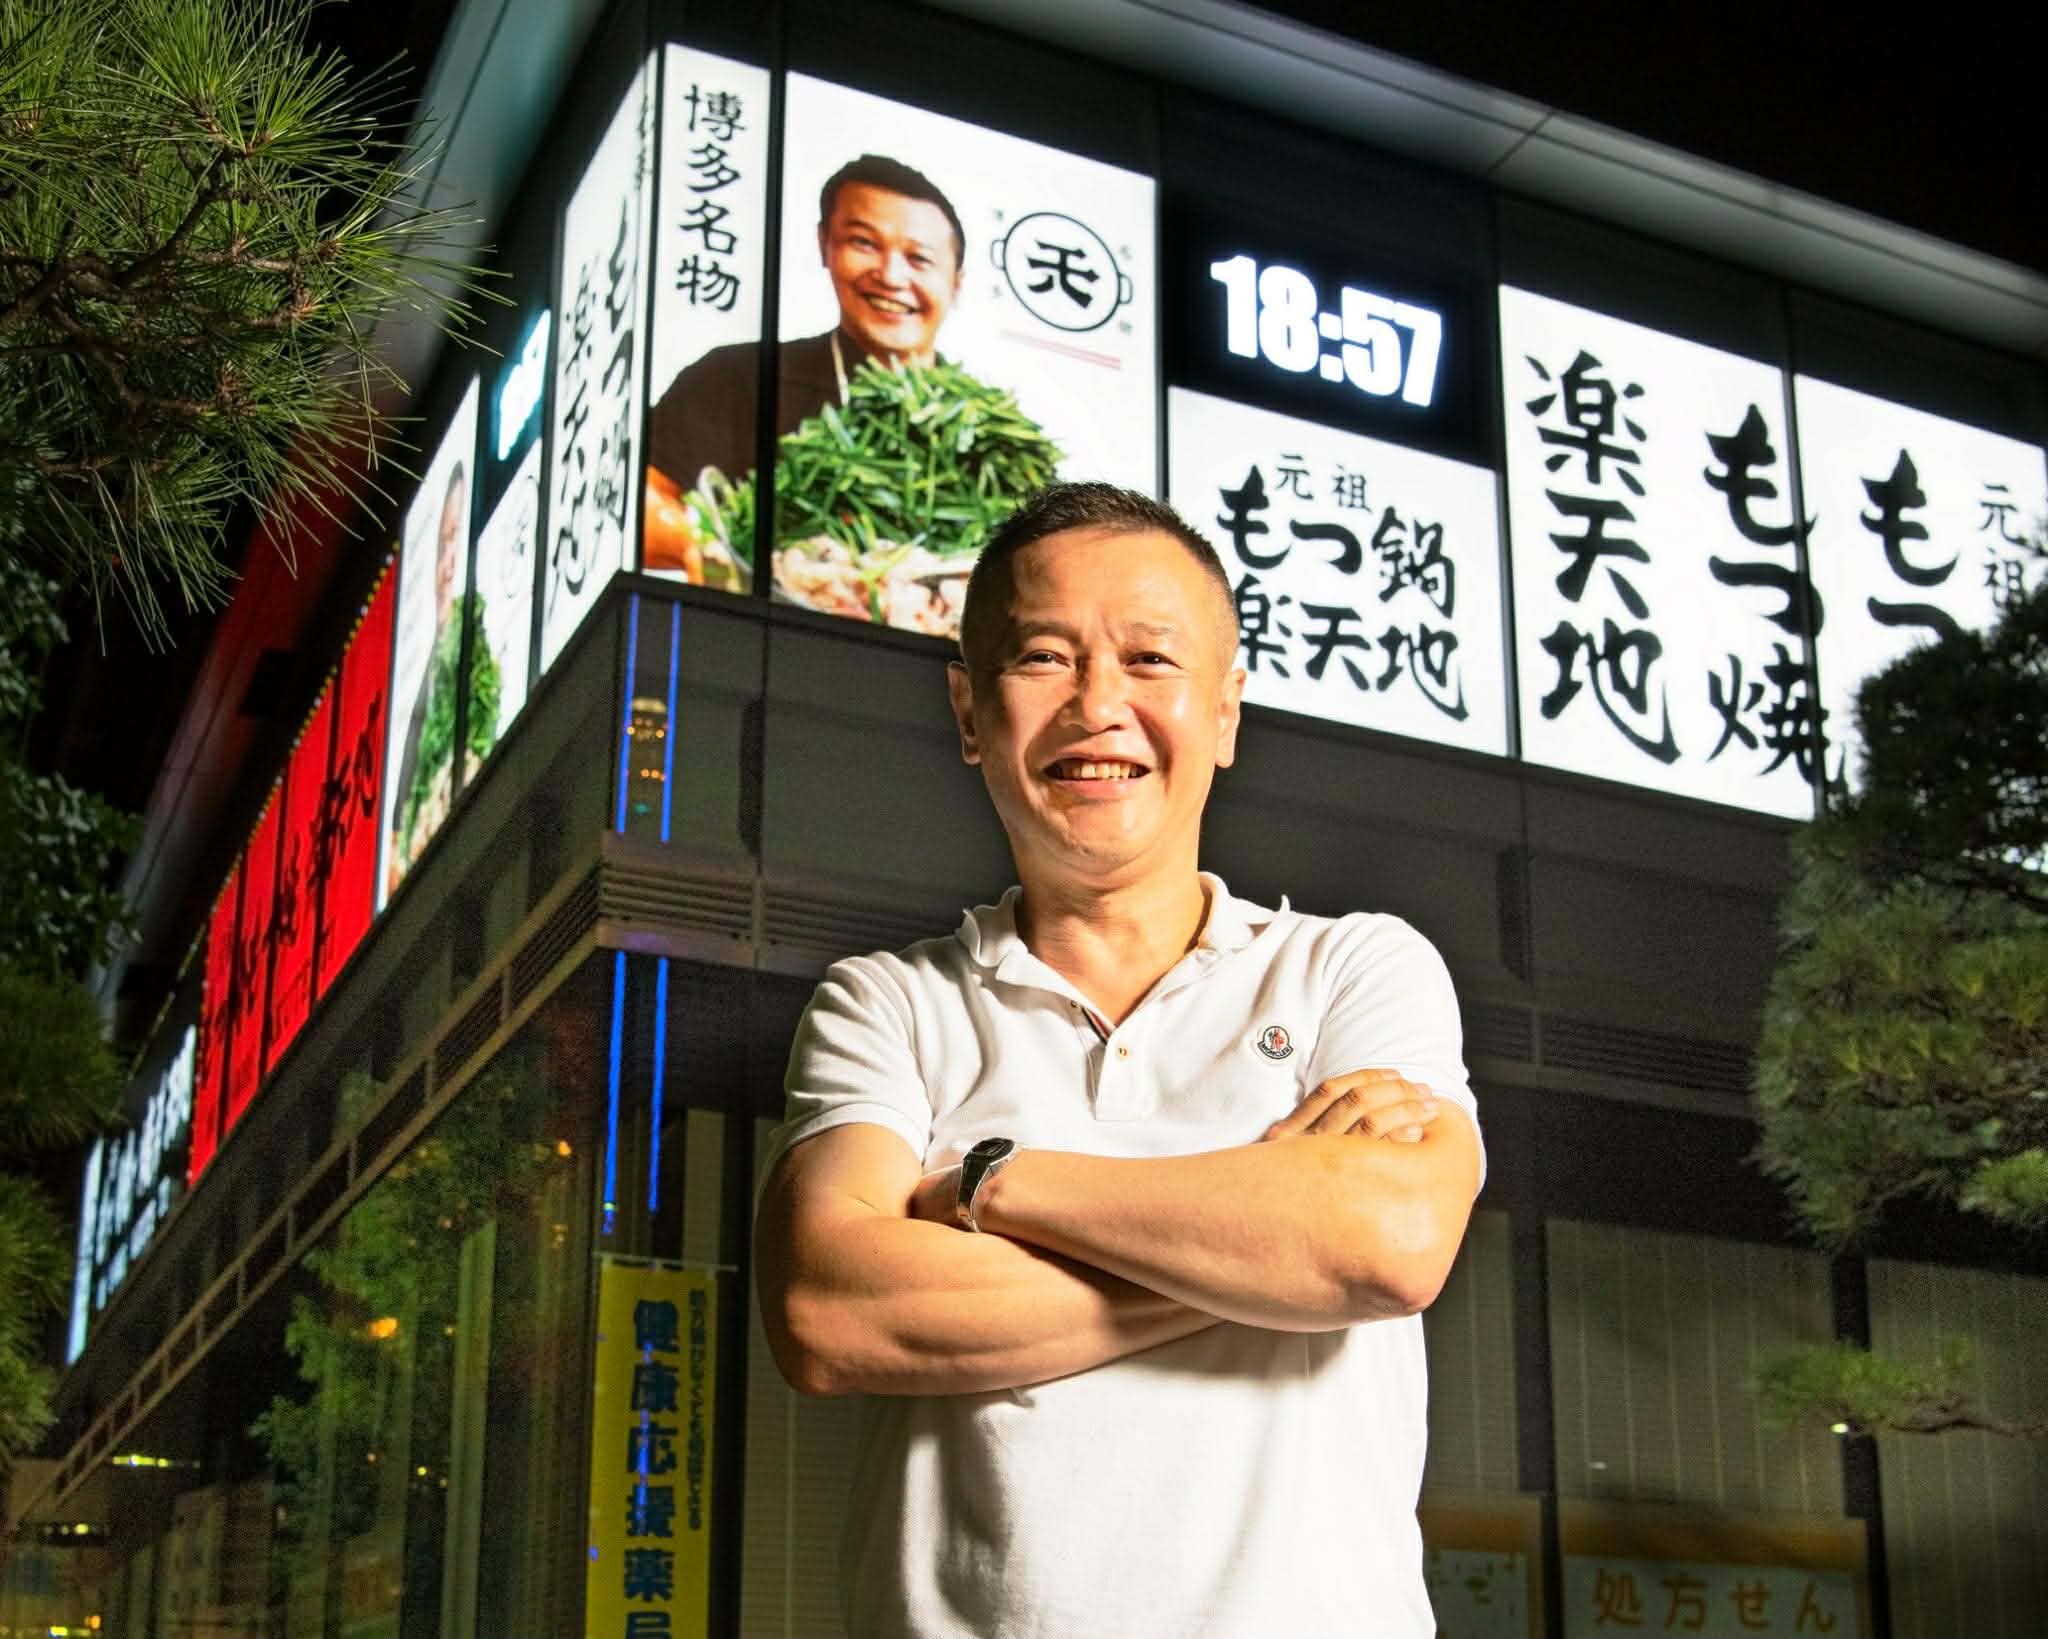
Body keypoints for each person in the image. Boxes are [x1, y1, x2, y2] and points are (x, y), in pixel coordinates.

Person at [754, 482, 1484, 1638]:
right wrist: (1264, 1254)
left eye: (1150, 659)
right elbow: (825, 1313)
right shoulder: (887, 1003)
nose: (1098, 704)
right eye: (1043, 656)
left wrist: (992, 1185)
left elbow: (1385, 1243)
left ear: (1225, 712)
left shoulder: (1352, 968)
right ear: (967, 709)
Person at [643, 153, 965, 576]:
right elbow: (639, 504)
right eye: (864, 243)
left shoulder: (996, 442)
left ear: (956, 282)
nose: (890, 276)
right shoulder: (738, 379)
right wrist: (743, 558)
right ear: (824, 244)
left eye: (919, 259)